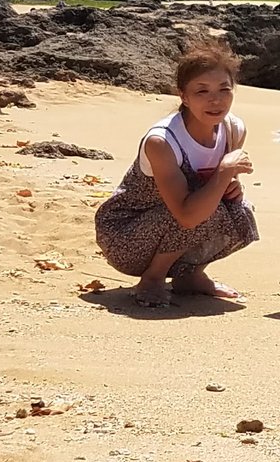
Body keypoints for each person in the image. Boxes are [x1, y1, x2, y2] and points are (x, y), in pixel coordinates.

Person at [94, 41, 259, 307]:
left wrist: (231, 185)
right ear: (184, 96)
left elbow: (220, 191)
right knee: (206, 210)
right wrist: (224, 172)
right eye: (202, 91)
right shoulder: (163, 141)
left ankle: (189, 275)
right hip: (126, 236)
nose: (215, 100)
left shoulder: (233, 129)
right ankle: (152, 279)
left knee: (238, 209)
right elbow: (186, 214)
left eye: (224, 90)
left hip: (173, 227)